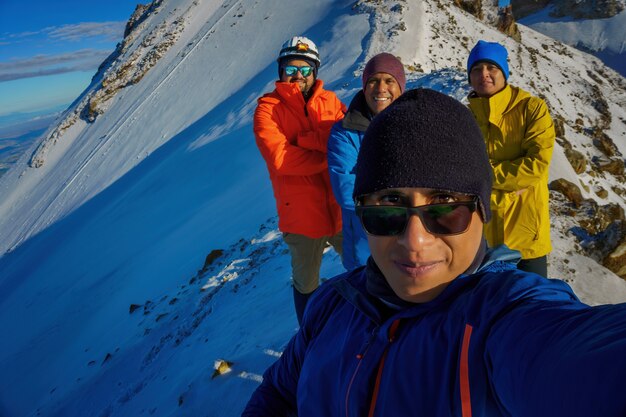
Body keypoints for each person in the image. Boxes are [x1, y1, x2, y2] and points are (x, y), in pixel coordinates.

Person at [242, 88, 626, 417]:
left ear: (481, 210)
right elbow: (278, 393)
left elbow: (581, 362)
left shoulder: (503, 316)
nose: (414, 240)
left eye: (444, 205)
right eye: (388, 206)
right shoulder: (332, 304)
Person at [253, 36, 346, 324]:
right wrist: (327, 153)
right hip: (301, 215)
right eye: (291, 69)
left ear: (314, 72)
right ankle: (308, 337)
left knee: (365, 267)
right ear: (281, 72)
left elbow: (347, 139)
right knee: (306, 283)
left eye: (305, 70)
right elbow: (281, 159)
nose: (298, 76)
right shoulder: (267, 109)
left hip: (341, 207)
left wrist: (306, 141)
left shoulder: (331, 102)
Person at [467, 40, 555, 277]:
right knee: (489, 309)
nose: (483, 74)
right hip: (483, 237)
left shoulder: (532, 109)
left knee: (532, 306)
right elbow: (461, 169)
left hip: (526, 238)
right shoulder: (467, 116)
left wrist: (485, 175)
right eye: (476, 69)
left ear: (504, 72)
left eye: (491, 68)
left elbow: (536, 164)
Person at [327, 53, 406, 271]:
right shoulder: (344, 132)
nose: (381, 88)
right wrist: (403, 203)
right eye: (373, 81)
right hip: (365, 250)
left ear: (401, 86)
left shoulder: (415, 126)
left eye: (389, 80)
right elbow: (347, 191)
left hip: (410, 243)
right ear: (364, 86)